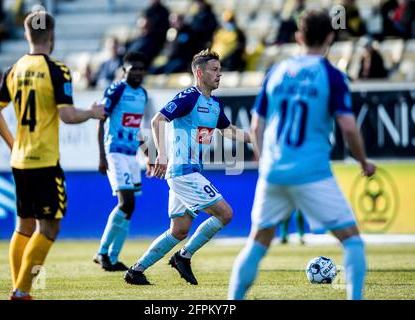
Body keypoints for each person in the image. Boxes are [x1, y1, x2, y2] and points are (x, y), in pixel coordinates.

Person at [228, 9, 375, 300]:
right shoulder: (331, 75)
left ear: (297, 37)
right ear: (330, 38)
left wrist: (261, 158)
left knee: (257, 244)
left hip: (273, 170)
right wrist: (363, 161)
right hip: (311, 171)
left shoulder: (277, 72)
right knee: (353, 242)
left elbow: (256, 125)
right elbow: (347, 125)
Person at [0, 10, 105, 300]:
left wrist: (12, 143)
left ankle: (19, 289)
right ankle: (22, 291)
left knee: (24, 224)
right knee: (50, 226)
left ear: (27, 35)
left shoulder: (13, 70)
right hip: (44, 160)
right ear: (51, 36)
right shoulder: (56, 70)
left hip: (20, 159)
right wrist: (92, 113)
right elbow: (67, 116)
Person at [124, 49, 251, 285]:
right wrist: (161, 154)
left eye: (220, 70)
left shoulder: (213, 105)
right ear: (199, 73)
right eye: (214, 70)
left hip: (188, 172)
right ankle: (184, 256)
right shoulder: (189, 97)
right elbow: (158, 120)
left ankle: (136, 271)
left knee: (179, 230)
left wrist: (256, 138)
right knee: (225, 213)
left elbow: (229, 130)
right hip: (183, 171)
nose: (219, 75)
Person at [93, 51, 151, 272]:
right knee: (125, 202)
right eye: (132, 68)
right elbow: (101, 121)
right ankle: (102, 252)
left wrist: (146, 153)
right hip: (115, 152)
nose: (137, 72)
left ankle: (113, 257)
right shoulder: (117, 90)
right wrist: (101, 156)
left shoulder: (143, 94)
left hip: (131, 155)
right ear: (124, 70)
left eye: (140, 68)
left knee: (130, 206)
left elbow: (135, 128)